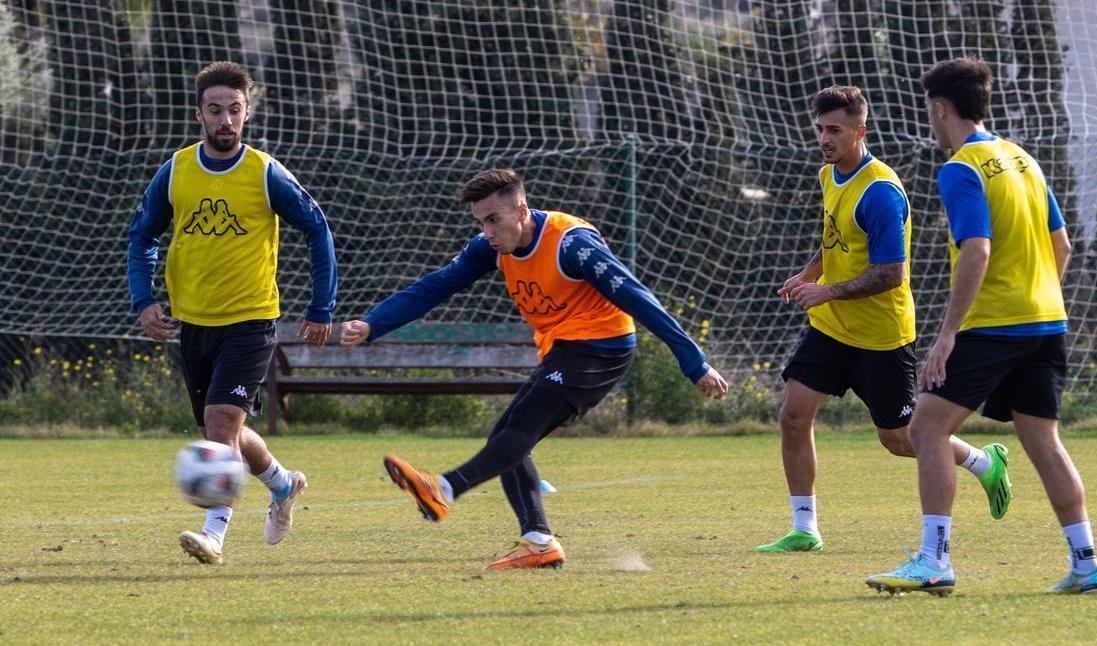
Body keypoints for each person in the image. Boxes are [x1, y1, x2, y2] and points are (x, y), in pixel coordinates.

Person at [341, 168, 728, 570]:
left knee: (518, 429)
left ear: (521, 210)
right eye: (480, 222)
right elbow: (435, 286)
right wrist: (374, 324)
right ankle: (539, 541)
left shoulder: (572, 245)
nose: (487, 232)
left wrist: (693, 362)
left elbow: (639, 299)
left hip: (602, 347)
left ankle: (444, 488)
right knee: (508, 436)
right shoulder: (490, 248)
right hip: (561, 348)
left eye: (494, 219)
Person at [866, 57, 1097, 595]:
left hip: (994, 324)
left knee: (925, 428)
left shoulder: (960, 168)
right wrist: (1038, 296)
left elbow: (976, 249)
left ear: (940, 107)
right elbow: (1061, 245)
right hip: (1046, 319)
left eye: (929, 109)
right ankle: (1086, 563)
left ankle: (934, 561)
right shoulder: (1024, 159)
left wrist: (949, 332)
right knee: (1043, 440)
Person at [759, 85, 1012, 554]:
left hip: (880, 337)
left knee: (899, 439)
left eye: (834, 129)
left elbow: (890, 274)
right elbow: (838, 237)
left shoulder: (881, 192)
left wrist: (824, 290)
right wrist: (810, 272)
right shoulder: (829, 176)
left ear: (861, 131)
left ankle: (981, 461)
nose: (824, 138)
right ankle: (805, 528)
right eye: (820, 128)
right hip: (832, 326)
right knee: (793, 415)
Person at [127, 61, 338, 565]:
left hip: (250, 320)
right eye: (216, 110)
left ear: (247, 112)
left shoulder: (264, 172)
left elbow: (319, 229)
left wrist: (320, 306)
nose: (226, 120)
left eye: (235, 110)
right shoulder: (176, 170)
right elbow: (141, 236)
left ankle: (213, 534)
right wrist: (144, 300)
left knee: (220, 423)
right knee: (225, 432)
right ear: (199, 112)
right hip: (194, 323)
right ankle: (283, 485)